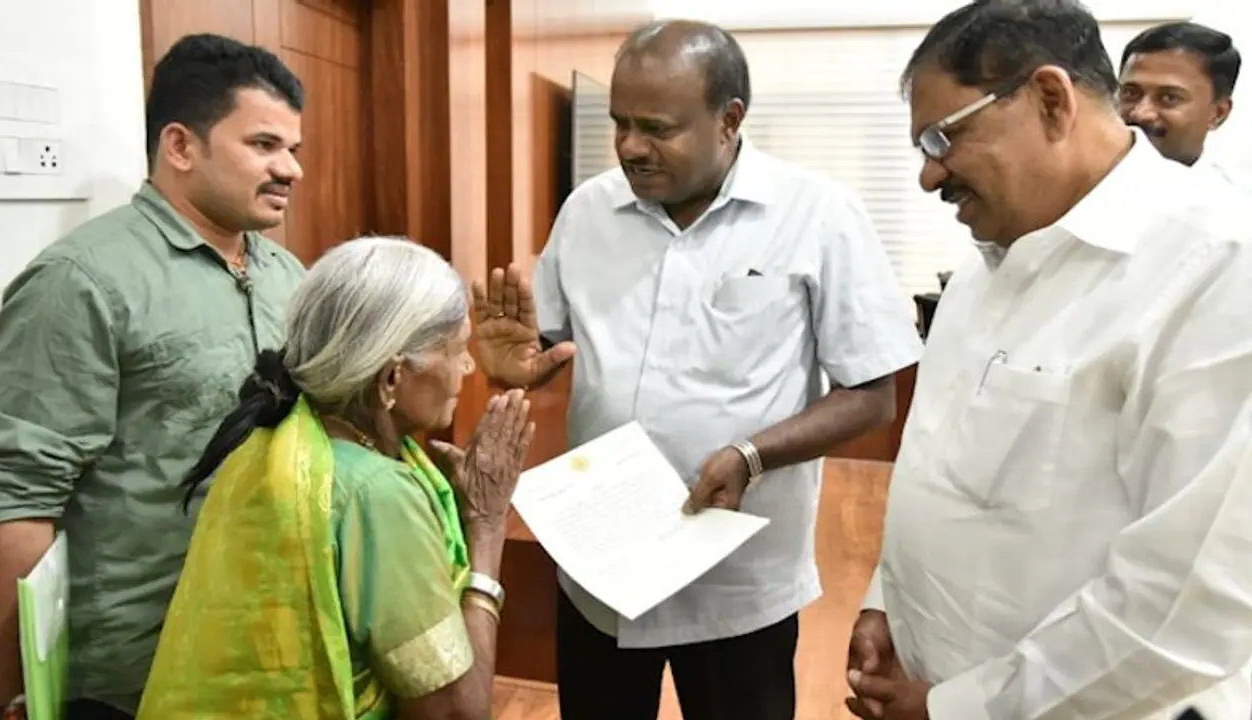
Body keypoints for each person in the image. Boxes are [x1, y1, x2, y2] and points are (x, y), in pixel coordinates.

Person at [474, 19, 924, 720]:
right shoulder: (589, 210)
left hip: (736, 584)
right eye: (620, 123)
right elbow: (547, 344)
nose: (628, 146)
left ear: (729, 120)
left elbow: (871, 397)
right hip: (601, 568)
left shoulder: (818, 215)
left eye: (655, 128)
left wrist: (751, 454)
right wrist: (516, 368)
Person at [846, 2, 1252, 719]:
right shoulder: (984, 265)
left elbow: (1186, 605)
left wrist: (959, 709)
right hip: (934, 681)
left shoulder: (1215, 269)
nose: (929, 178)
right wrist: (887, 602)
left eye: (943, 138)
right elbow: (937, 465)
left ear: (1050, 100)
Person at [0, 33, 306, 720]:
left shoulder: (289, 277)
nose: (291, 169)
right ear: (181, 146)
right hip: (131, 676)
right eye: (265, 146)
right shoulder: (83, 282)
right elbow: (17, 499)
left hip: (266, 646)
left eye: (294, 150)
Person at [136, 237, 534, 719]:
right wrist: (487, 527)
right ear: (391, 378)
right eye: (456, 350)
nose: (467, 368)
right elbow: (456, 712)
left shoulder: (272, 437)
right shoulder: (377, 494)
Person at [1118, 21, 1242, 180]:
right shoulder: (1083, 188)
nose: (1141, 114)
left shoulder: (1232, 201)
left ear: (1218, 113)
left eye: (1169, 98)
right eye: (1131, 93)